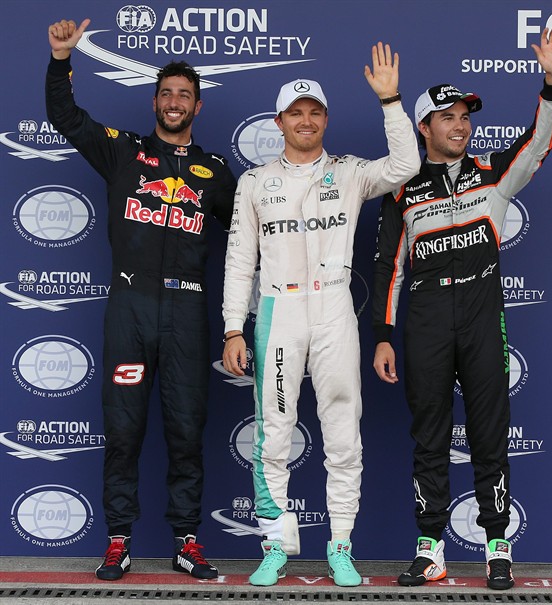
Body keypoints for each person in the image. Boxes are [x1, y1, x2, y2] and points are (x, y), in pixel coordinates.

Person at [372, 25, 552, 590]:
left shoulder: (491, 175)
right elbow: (388, 268)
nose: (461, 125)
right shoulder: (401, 188)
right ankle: (430, 545)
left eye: (466, 116)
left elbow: (538, 143)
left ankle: (497, 545)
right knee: (429, 436)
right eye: (449, 117)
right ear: (424, 128)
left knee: (489, 432)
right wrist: (385, 334)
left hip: (483, 321)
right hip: (427, 322)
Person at [221, 42, 419, 587]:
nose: (305, 120)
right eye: (295, 113)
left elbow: (406, 164)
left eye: (314, 112)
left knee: (342, 433)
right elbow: (240, 261)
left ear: (325, 119)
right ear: (279, 121)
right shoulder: (255, 182)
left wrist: (390, 101)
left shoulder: (351, 172)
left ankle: (340, 546)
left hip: (333, 308)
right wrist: (233, 328)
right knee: (274, 435)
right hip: (277, 310)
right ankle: (275, 546)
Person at [46, 19, 236, 581]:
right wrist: (61, 59)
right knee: (123, 428)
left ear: (197, 107)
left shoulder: (217, 173)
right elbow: (67, 117)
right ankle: (119, 540)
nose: (174, 102)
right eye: (167, 93)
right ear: (155, 101)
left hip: (187, 313)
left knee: (185, 429)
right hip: (130, 309)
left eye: (185, 96)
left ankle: (186, 541)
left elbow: (256, 237)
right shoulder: (123, 153)